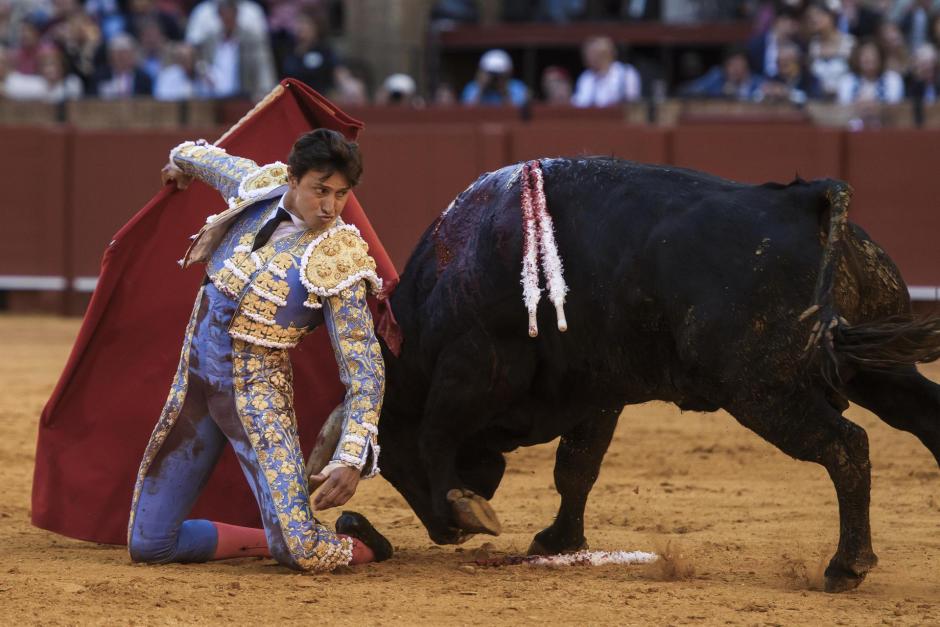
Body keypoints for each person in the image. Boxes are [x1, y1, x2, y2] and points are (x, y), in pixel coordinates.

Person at [128, 128, 393, 572]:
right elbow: (201, 155)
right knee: (150, 545)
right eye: (320, 191)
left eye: (341, 195)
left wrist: (350, 457)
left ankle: (363, 546)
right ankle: (275, 535)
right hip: (194, 389)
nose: (329, 208)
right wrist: (179, 165)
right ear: (292, 179)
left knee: (302, 554)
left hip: (257, 402)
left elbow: (365, 370)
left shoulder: (340, 258)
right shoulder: (258, 187)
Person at [197, 0, 276, 100]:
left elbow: (263, 67)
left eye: (230, 14)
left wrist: (265, 93)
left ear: (236, 14)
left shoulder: (251, 39)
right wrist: (204, 72)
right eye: (223, 14)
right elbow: (202, 64)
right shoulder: (210, 39)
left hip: (243, 97)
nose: (227, 18)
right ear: (219, 15)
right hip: (215, 98)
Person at [571, 35, 641, 107]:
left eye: (594, 54)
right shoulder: (586, 77)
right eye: (587, 54)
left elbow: (632, 102)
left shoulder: (626, 73)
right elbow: (579, 104)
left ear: (608, 54)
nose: (589, 58)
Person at [806, 0, 856, 99]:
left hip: (846, 100)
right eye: (810, 17)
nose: (814, 19)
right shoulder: (812, 46)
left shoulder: (849, 43)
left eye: (818, 14)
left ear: (831, 16)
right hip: (819, 100)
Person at [679, 47, 765, 101]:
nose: (735, 69)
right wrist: (721, 93)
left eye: (738, 65)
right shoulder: (717, 78)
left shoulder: (758, 82)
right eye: (731, 65)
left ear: (746, 65)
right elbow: (689, 90)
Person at [837, 39, 904, 104]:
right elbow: (844, 106)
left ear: (880, 58)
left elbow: (894, 106)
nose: (869, 58)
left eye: (873, 54)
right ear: (857, 59)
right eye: (865, 55)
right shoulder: (847, 81)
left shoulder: (892, 79)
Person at [460, 48, 528, 106]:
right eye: (490, 73)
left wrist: (504, 91)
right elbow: (467, 113)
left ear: (508, 73)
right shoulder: (472, 88)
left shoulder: (517, 88)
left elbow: (517, 114)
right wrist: (481, 88)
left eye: (499, 74)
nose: (495, 78)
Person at [94, 33, 153, 98]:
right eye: (118, 54)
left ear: (133, 56)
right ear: (110, 57)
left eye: (125, 53)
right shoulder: (99, 77)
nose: (121, 58)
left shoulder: (143, 79)